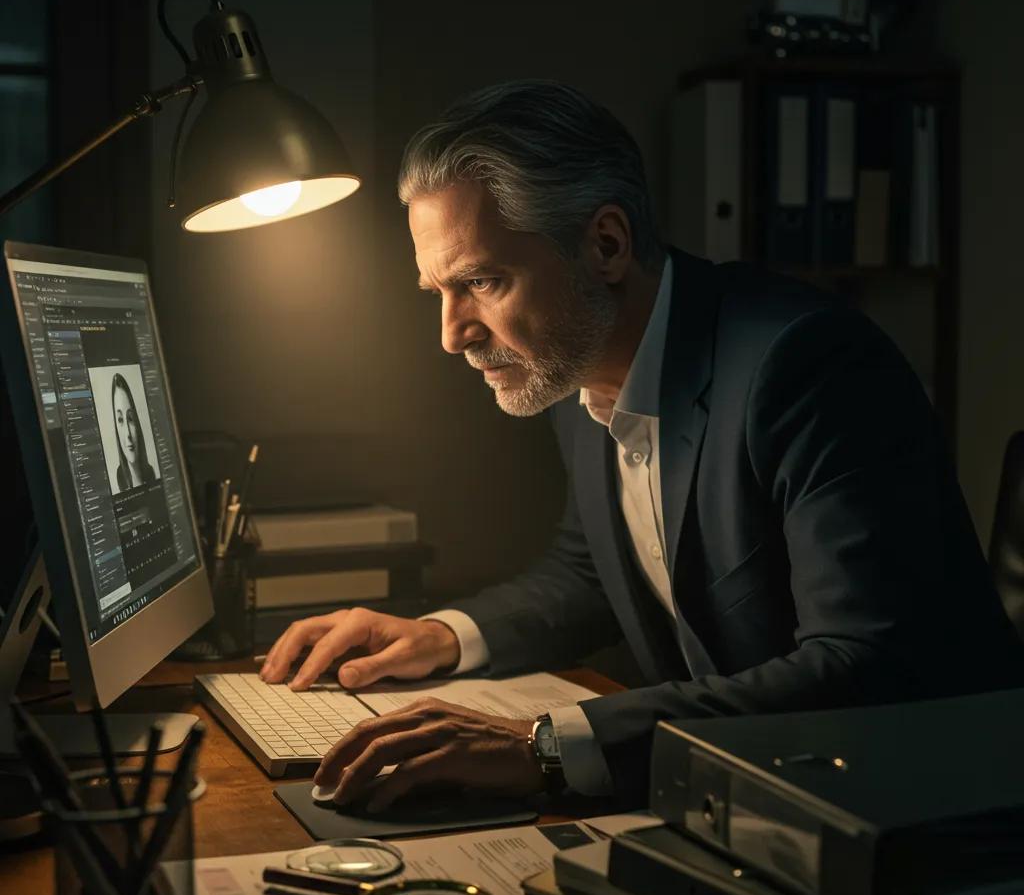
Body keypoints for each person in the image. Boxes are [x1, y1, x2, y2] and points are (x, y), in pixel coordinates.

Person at [260, 80, 1024, 810]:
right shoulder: (573, 363)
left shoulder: (807, 365)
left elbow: (863, 667)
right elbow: (593, 568)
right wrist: (439, 636)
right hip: (742, 800)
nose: (452, 334)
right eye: (439, 292)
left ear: (606, 244)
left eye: (483, 283)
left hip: (923, 815)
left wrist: (545, 748)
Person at [111, 372, 155, 491]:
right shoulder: (118, 480)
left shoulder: (151, 474)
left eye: (130, 419)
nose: (128, 434)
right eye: (120, 420)